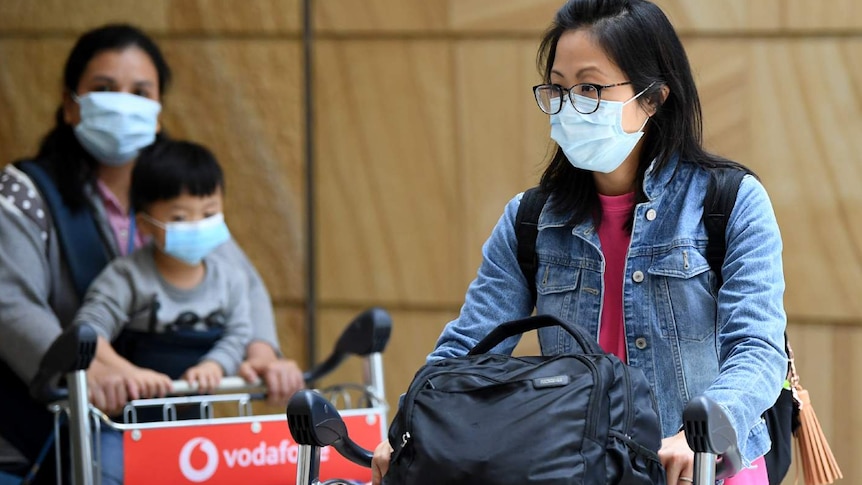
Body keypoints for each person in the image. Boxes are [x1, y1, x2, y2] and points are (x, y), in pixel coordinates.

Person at [371, 1, 786, 485]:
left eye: (590, 87)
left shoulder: (728, 202)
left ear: (654, 96)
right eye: (558, 88)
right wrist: (406, 429)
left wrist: (704, 432)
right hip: (581, 468)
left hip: (704, 468)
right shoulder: (530, 219)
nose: (570, 105)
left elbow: (757, 348)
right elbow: (470, 345)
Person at [0, 24, 304, 484]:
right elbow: (10, 304)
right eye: (104, 89)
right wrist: (92, 370)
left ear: (158, 111)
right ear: (70, 104)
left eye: (140, 92)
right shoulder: (24, 191)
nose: (124, 103)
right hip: (48, 427)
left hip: (163, 429)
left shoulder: (178, 191)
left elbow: (242, 278)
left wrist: (260, 349)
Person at [75, 139, 252, 396]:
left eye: (209, 213)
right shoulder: (126, 277)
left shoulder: (230, 278)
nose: (196, 224)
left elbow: (239, 334)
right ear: (144, 224)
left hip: (196, 422)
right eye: (180, 217)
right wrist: (127, 373)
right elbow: (86, 333)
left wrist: (214, 365)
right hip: (129, 417)